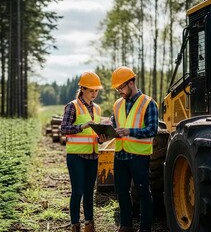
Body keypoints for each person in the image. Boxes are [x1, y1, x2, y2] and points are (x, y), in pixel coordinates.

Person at [110, 66, 158, 232]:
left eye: (120, 88)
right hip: (120, 156)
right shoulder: (117, 104)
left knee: (143, 193)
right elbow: (113, 125)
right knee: (122, 192)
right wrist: (105, 134)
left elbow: (152, 130)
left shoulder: (148, 103)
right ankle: (126, 226)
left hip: (138, 156)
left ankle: (144, 228)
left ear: (131, 83)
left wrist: (130, 131)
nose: (119, 92)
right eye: (117, 89)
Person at [60, 71, 108, 232]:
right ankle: (75, 225)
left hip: (93, 155)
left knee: (89, 192)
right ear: (83, 89)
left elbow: (94, 134)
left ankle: (89, 224)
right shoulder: (72, 106)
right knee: (78, 191)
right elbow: (64, 129)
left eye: (96, 90)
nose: (94, 93)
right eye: (91, 90)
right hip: (76, 156)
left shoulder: (98, 109)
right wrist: (82, 126)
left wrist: (101, 138)